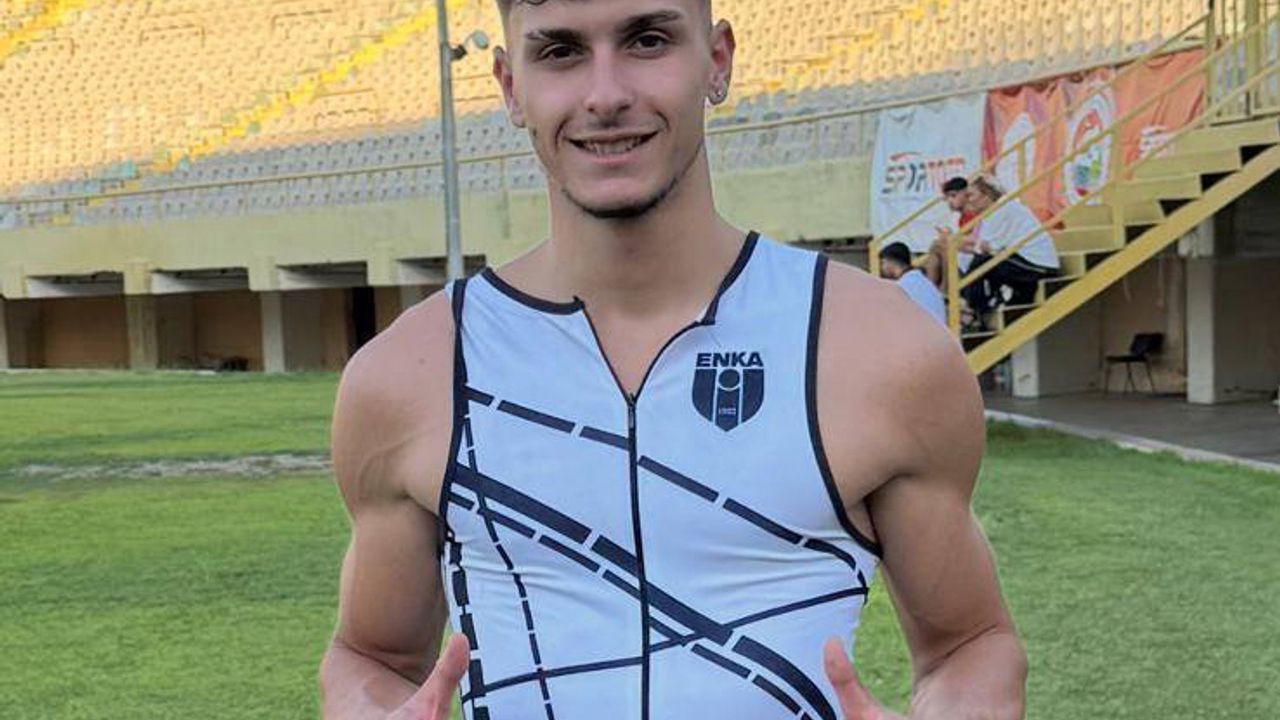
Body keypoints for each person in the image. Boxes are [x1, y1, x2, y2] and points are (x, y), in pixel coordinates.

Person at [319, 2, 1027, 719]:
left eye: (647, 40)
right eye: (560, 52)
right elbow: (371, 658)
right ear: (510, 86)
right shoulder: (409, 376)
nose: (605, 95)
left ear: (717, 61)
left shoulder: (881, 348)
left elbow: (969, 644)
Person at [958, 177, 1060, 326]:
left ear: (986, 195)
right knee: (976, 261)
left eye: (970, 195)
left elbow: (988, 248)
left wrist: (963, 244)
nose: (967, 200)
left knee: (982, 262)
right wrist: (965, 246)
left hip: (1038, 267)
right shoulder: (992, 212)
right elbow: (985, 245)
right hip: (1024, 262)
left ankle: (972, 309)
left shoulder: (1003, 209)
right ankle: (978, 306)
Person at [879, 241, 946, 326]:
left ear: (890, 263)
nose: (881, 268)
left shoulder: (901, 287)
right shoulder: (925, 283)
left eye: (883, 263)